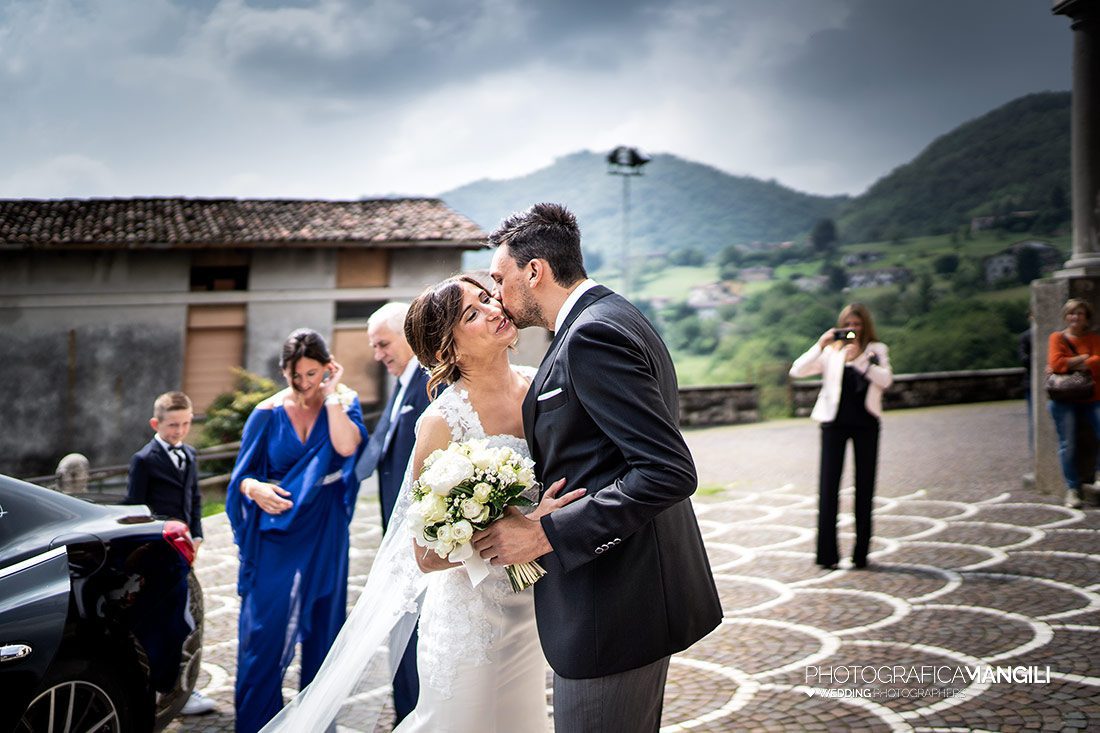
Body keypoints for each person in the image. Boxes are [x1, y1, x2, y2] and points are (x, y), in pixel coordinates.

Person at [259, 277, 582, 733]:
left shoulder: (541, 384)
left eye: (487, 299)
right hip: (470, 621)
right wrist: (526, 525)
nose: (494, 309)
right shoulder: (442, 422)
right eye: (472, 313)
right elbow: (425, 555)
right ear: (447, 350)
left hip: (531, 610)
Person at [475, 203, 723, 733]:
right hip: (629, 596)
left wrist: (547, 534)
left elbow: (668, 471)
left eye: (500, 278)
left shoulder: (592, 335)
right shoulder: (612, 314)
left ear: (534, 270)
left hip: (613, 607)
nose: (497, 293)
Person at [226, 328, 367, 733]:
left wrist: (334, 393)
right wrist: (256, 488)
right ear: (284, 371)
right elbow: (242, 478)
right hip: (276, 530)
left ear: (327, 368)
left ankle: (317, 724)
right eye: (296, 375)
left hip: (325, 524)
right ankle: (256, 725)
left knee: (325, 624)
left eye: (313, 373)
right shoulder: (266, 414)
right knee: (263, 631)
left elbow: (345, 448)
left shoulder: (345, 402)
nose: (305, 383)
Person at [354, 301, 431, 723]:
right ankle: (406, 718)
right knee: (401, 632)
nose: (378, 354)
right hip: (398, 538)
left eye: (383, 343)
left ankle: (415, 718)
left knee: (415, 635)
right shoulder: (402, 384)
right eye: (374, 346)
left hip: (419, 540)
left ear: (407, 335)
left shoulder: (425, 385)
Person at [125, 390, 216, 716]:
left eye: (185, 424)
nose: (179, 431)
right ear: (156, 423)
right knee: (168, 623)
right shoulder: (144, 460)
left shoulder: (190, 454)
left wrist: (198, 535)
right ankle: (162, 690)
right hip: (157, 554)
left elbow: (193, 498)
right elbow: (135, 509)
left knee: (185, 618)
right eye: (173, 425)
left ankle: (176, 687)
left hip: (184, 552)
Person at [790, 303, 894, 570]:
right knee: (828, 489)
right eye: (848, 325)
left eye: (857, 325)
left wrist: (859, 359)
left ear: (865, 326)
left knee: (865, 487)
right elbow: (797, 371)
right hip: (833, 423)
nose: (852, 330)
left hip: (866, 423)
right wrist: (820, 344)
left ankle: (861, 554)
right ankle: (827, 555)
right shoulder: (831, 352)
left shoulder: (876, 350)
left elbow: (886, 381)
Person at [1046, 298, 1100, 509]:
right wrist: (1086, 358)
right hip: (1063, 398)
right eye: (1071, 313)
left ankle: (1098, 473)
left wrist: (1070, 363)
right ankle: (1072, 488)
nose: (1075, 317)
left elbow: (1098, 362)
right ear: (1065, 317)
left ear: (1087, 318)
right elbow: (1056, 364)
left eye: (1079, 314)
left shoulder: (1094, 338)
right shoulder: (1057, 337)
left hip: (1094, 396)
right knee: (1067, 444)